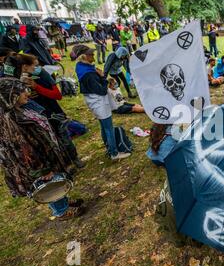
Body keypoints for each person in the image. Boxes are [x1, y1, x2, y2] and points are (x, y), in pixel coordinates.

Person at [0, 77, 85, 220]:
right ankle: (61, 212)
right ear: (11, 95)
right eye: (22, 91)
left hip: (46, 157)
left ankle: (63, 201)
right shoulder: (10, 121)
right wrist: (43, 170)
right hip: (38, 165)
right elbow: (24, 151)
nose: (27, 93)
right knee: (48, 184)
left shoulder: (19, 110)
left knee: (55, 180)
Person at [73, 44, 131, 160]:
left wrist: (101, 77)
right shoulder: (88, 73)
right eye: (91, 54)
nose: (93, 56)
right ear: (84, 56)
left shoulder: (82, 67)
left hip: (94, 101)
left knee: (104, 127)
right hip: (98, 102)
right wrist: (103, 78)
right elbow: (101, 91)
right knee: (109, 128)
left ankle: (109, 148)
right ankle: (114, 153)